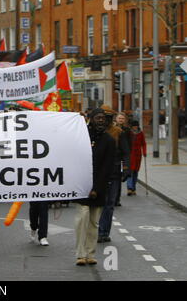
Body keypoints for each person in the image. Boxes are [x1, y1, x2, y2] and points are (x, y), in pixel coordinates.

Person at [75, 108, 115, 266]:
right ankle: (80, 254)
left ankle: (90, 253)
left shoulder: (109, 141)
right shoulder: (81, 136)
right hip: (81, 186)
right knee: (81, 219)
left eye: (103, 118)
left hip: (98, 188)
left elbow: (107, 167)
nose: (101, 121)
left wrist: (96, 189)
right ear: (90, 119)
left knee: (93, 222)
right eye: (98, 118)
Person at [97, 106, 130, 243]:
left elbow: (125, 151)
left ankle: (103, 232)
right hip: (97, 172)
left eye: (108, 118)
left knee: (109, 203)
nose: (105, 120)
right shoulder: (94, 131)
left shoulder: (118, 132)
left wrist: (126, 168)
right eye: (103, 117)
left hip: (113, 172)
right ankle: (95, 229)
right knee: (97, 203)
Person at [114, 112, 132, 207]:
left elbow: (129, 143)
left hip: (123, 156)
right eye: (119, 118)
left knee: (118, 178)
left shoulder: (127, 130)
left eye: (122, 118)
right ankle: (113, 197)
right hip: (115, 156)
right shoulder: (112, 129)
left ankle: (117, 198)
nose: (121, 120)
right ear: (116, 119)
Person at [127, 120, 147, 196]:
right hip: (130, 154)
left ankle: (133, 188)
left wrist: (144, 152)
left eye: (136, 126)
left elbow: (144, 144)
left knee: (135, 172)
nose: (135, 127)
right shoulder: (129, 133)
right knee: (130, 172)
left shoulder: (141, 133)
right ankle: (129, 188)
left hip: (138, 155)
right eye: (133, 126)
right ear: (131, 126)